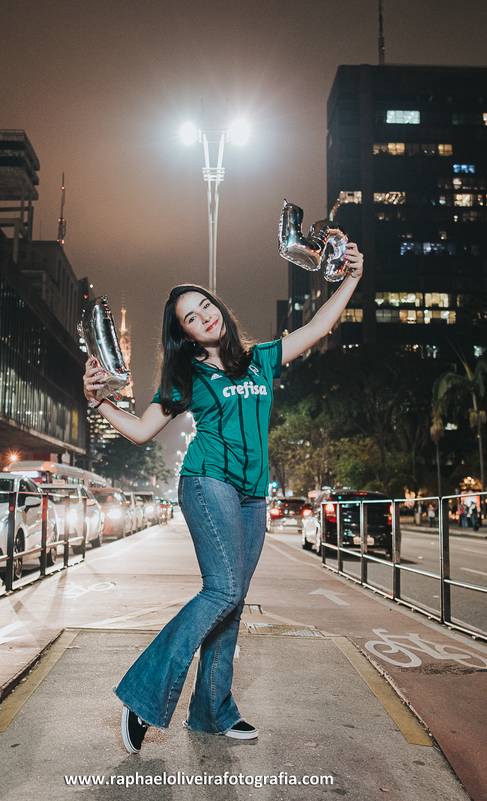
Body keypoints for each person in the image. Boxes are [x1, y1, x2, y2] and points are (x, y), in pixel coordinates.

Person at [83, 244, 364, 754]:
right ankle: (142, 695)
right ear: (185, 333)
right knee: (223, 590)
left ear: (218, 309)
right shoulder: (189, 375)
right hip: (208, 481)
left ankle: (212, 713)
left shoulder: (260, 359)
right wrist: (98, 402)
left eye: (204, 306)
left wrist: (351, 278)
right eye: (190, 317)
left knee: (230, 604)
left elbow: (320, 325)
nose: (203, 317)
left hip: (254, 495)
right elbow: (144, 430)